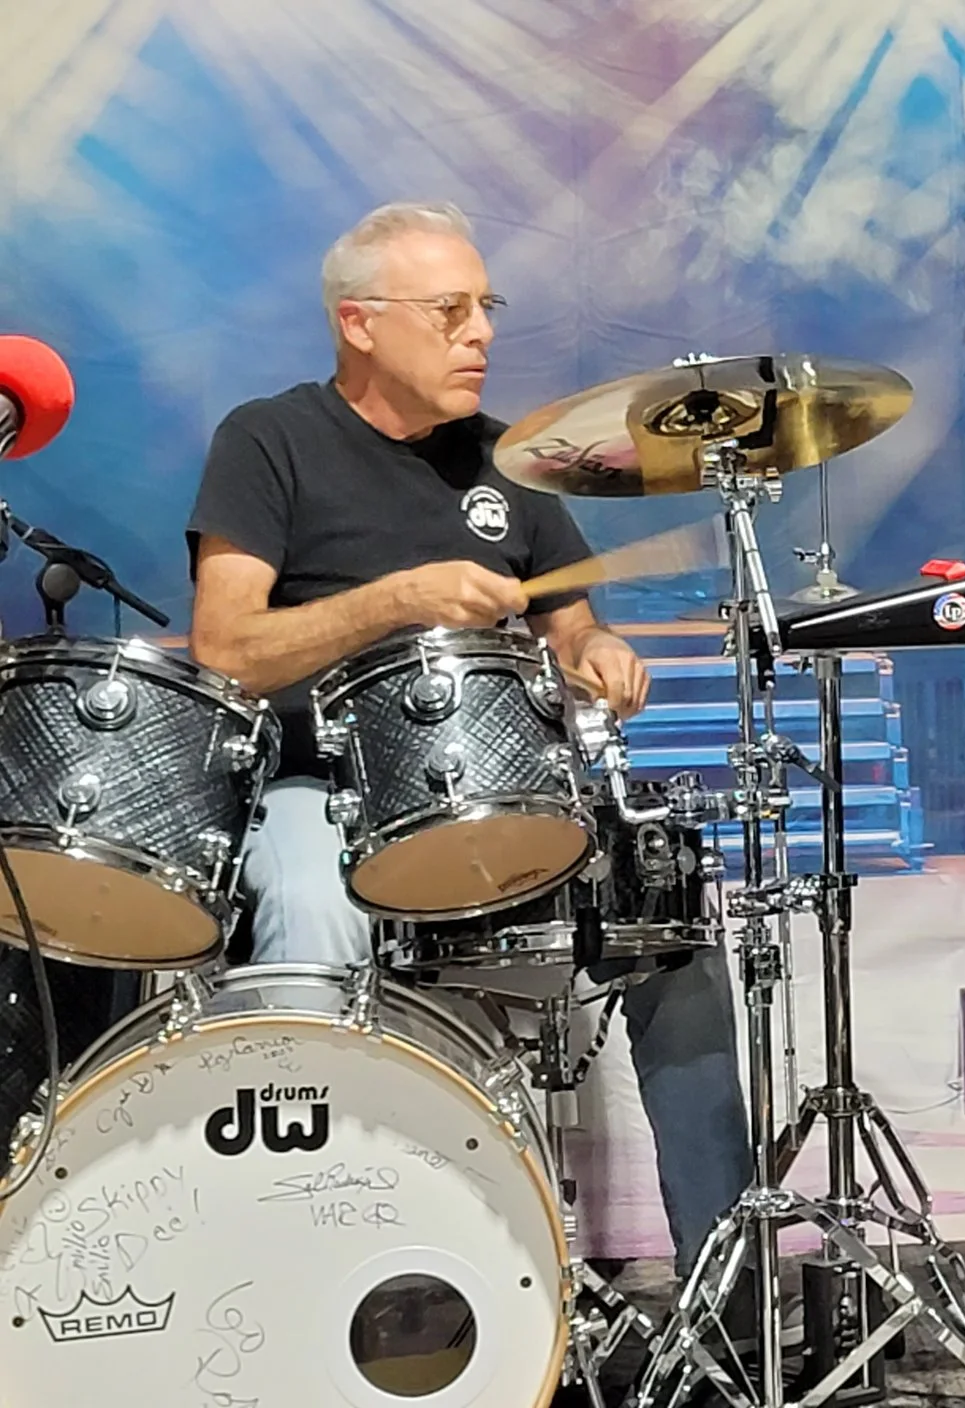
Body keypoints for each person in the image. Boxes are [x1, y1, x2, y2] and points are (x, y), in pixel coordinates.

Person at [184, 200, 751, 1286]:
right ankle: (318, 1266)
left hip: (512, 794)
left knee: (671, 924)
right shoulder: (269, 439)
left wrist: (598, 650)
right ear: (359, 322)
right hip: (328, 791)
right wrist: (398, 598)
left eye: (485, 308)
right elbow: (227, 646)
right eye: (450, 311)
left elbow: (572, 621)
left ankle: (725, 1286)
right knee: (306, 907)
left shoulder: (512, 464)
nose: (480, 332)